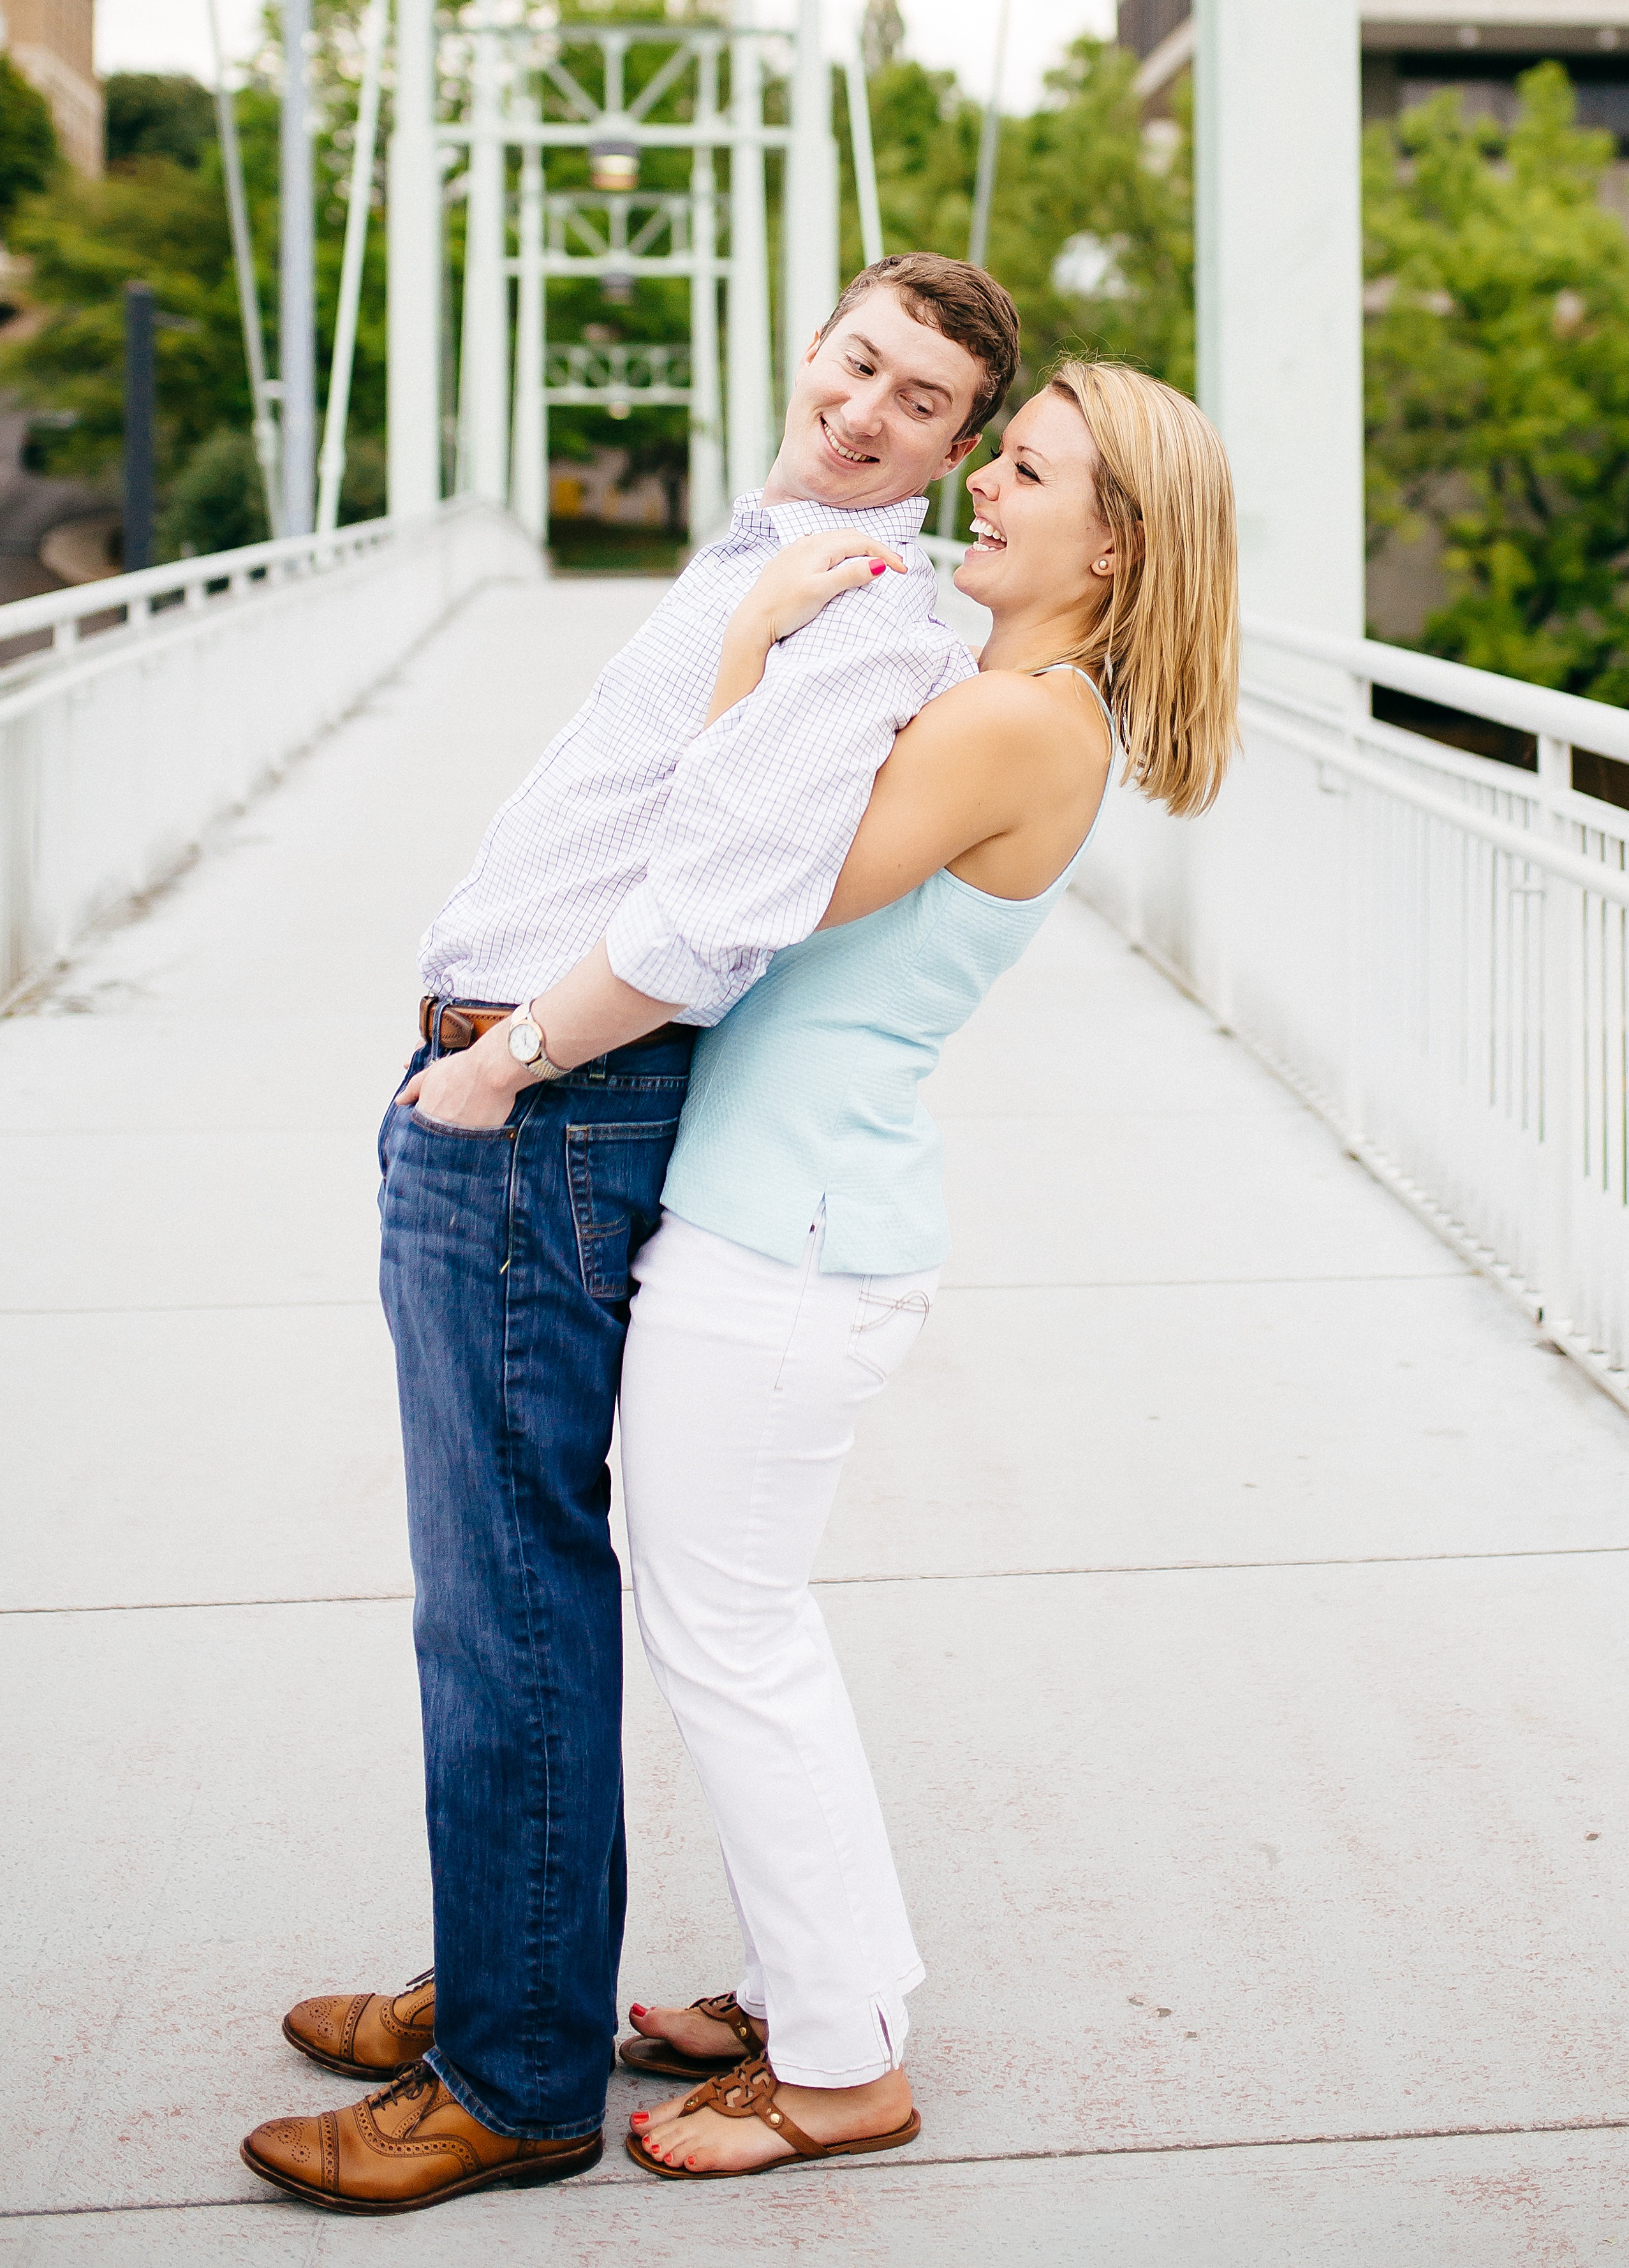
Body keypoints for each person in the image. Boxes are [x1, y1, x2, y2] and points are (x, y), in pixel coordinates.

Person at [239, 254, 1021, 2221]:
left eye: (920, 403)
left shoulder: (851, 610)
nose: (867, 410)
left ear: (954, 449)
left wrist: (490, 1070)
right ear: (812, 342)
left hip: (540, 1105)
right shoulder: (778, 560)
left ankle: (510, 2074)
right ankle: (515, 1966)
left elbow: (710, 913)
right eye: (859, 360)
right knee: (509, 1584)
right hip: (525, 1092)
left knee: (501, 1597)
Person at [617, 360, 1239, 2181]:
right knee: (740, 1623)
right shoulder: (1005, 697)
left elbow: (736, 882)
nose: (977, 484)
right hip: (791, 1215)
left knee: (733, 1635)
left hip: (789, 1234)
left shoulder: (1015, 722)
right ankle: (815, 1987)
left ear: (1111, 545)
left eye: (1022, 470)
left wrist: (752, 636)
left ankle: (841, 2067)